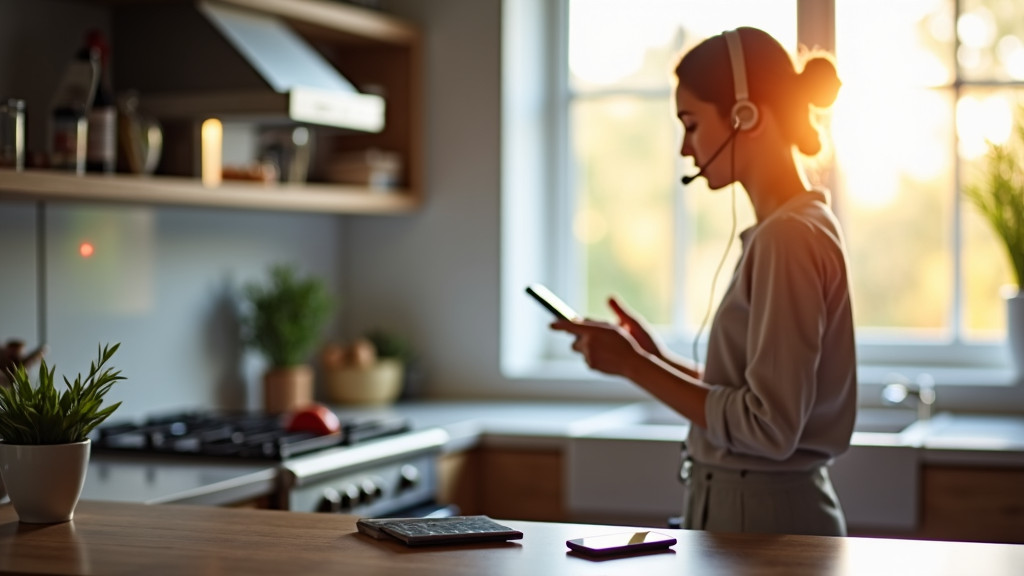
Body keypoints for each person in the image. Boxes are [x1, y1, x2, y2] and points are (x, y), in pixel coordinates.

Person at [552, 26, 856, 537]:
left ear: (745, 116)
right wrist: (655, 359)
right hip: (751, 510)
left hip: (765, 519)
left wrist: (633, 366)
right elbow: (752, 394)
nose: (684, 148)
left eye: (691, 125)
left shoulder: (787, 239)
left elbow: (768, 427)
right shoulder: (786, 230)